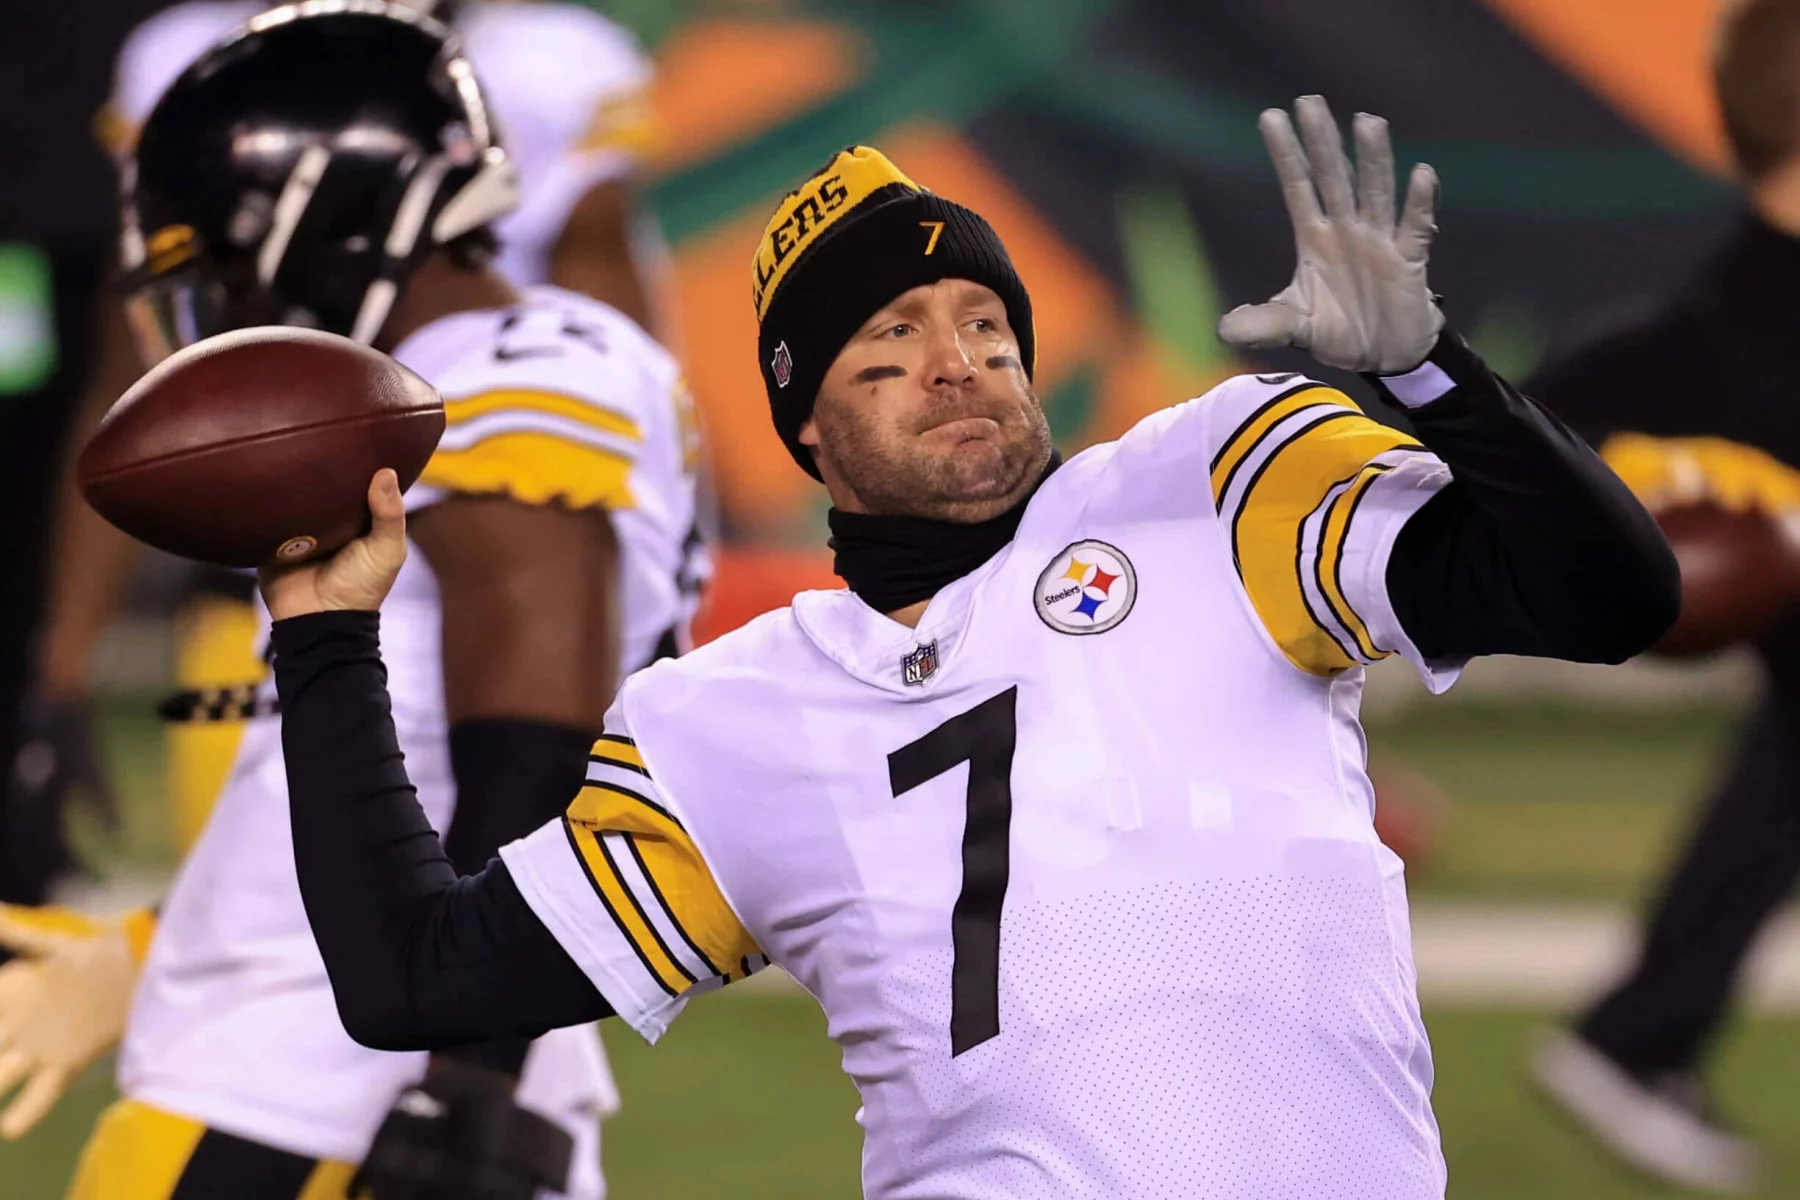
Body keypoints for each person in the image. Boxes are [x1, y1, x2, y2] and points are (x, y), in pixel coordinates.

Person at [258, 96, 1677, 1198]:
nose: (960, 361)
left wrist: (1436, 377)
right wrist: (326, 636)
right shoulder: (723, 725)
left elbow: (1610, 602)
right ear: (806, 422)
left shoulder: (1214, 485)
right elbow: (415, 980)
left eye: (986, 324)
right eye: (889, 340)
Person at [0, 7, 705, 1197]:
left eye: (220, 266)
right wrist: (155, 954)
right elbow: (381, 788)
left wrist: (464, 1091)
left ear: (321, 235)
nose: (209, 310)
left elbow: (531, 765)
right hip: (324, 1063)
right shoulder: (451, 390)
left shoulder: (508, 382)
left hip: (319, 1100)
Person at [10, 0, 662, 899]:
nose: (223, 284)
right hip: (312, 549)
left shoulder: (524, 383)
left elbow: (607, 324)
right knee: (275, 897)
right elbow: (130, 366)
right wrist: (66, 666)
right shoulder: (192, 54)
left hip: (471, 493)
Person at [1526, 0, 1800, 1190]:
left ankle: (1637, 1039)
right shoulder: (1714, 341)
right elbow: (1504, 439)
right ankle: (1635, 1040)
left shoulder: (1715, 322)